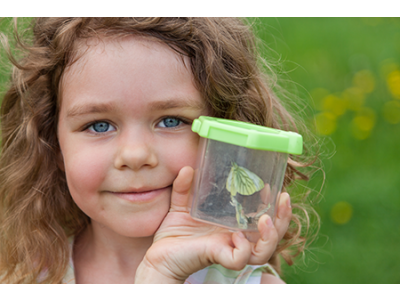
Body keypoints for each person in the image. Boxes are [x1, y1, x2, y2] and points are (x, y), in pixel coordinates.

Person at [0, 17, 319, 284]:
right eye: (99, 125)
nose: (136, 155)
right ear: (53, 143)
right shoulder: (25, 274)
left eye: (170, 121)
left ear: (226, 138)